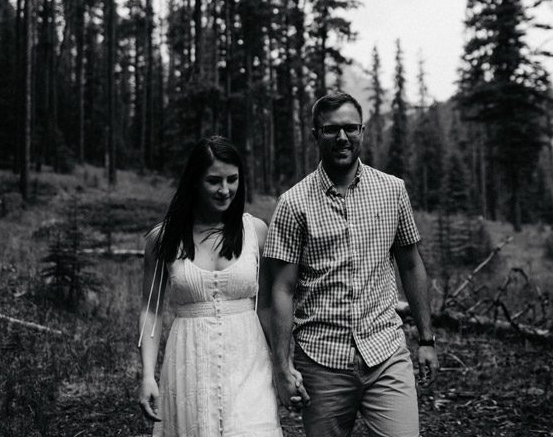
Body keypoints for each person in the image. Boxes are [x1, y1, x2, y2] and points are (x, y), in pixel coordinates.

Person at [261, 92, 440, 437]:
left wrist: (427, 341)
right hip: (321, 360)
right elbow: (281, 289)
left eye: (350, 128)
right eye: (331, 130)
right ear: (315, 134)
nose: (342, 137)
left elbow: (411, 264)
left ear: (362, 131)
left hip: (386, 351)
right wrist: (282, 366)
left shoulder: (392, 190)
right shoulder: (293, 204)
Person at [137, 135, 283, 437]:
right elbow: (151, 312)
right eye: (214, 181)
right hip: (188, 364)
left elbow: (267, 307)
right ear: (194, 181)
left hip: (249, 362)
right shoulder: (162, 239)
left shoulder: (255, 231)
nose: (225, 190)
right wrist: (147, 375)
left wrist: (283, 365)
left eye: (233, 179)